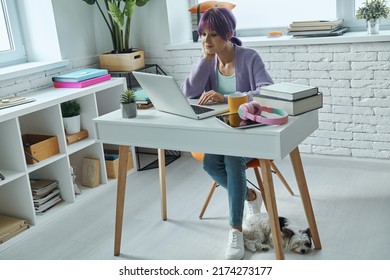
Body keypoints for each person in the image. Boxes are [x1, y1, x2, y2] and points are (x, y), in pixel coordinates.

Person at [181, 7, 274, 260]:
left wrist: (227, 97)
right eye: (202, 35)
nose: (206, 41)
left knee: (233, 159)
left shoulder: (249, 57)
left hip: (248, 133)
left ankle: (235, 230)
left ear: (228, 34)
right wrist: (205, 60)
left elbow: (267, 90)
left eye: (212, 35)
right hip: (219, 133)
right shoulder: (208, 61)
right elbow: (188, 92)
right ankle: (251, 195)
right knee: (210, 165)